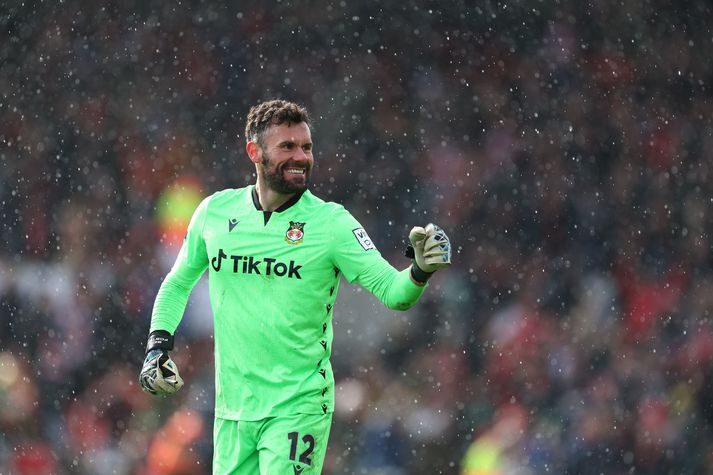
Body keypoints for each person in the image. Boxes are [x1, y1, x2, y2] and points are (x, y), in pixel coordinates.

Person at [139, 99, 452, 474]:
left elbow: (394, 292)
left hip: (297, 406)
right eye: (287, 147)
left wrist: (419, 269)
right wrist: (157, 347)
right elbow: (177, 282)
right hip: (234, 409)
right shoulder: (215, 213)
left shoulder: (332, 224)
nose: (300, 156)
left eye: (306, 147)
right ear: (254, 152)